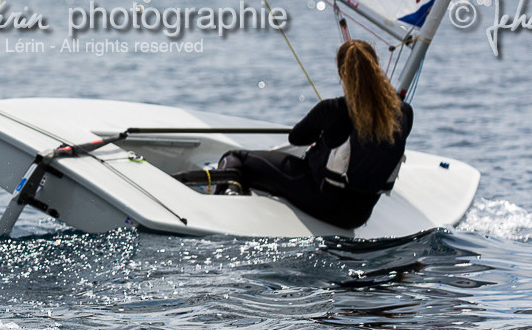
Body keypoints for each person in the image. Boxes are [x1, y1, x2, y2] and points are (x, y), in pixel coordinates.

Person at [176, 40, 412, 231]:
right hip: (358, 215)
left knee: (236, 158)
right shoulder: (405, 114)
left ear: (342, 73)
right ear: (377, 67)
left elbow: (297, 138)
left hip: (321, 200)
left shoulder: (333, 109)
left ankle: (225, 202)